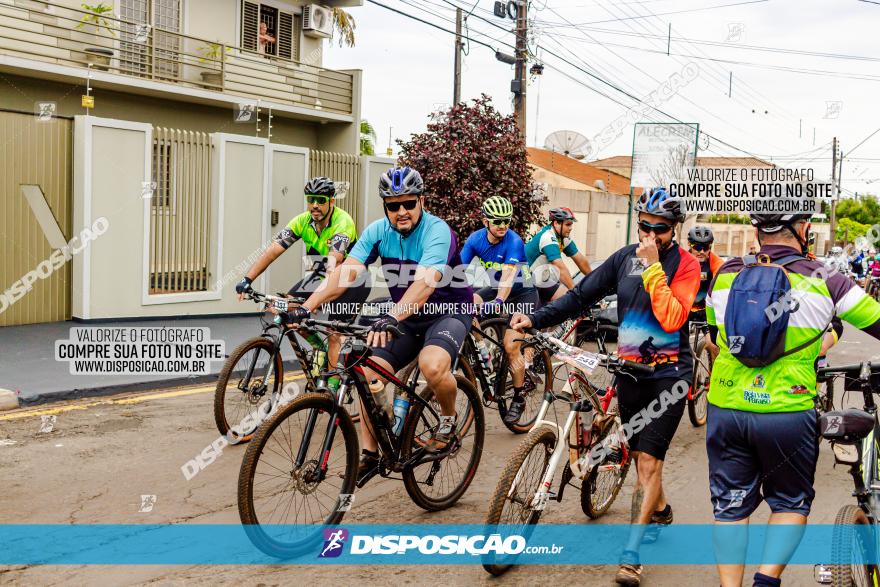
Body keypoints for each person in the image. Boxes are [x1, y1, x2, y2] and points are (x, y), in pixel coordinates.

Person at [511, 187, 700, 587]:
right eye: (645, 226)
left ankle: (631, 557)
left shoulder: (686, 266)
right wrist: (537, 319)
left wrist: (652, 267)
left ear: (675, 229)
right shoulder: (622, 259)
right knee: (639, 455)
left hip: (669, 377)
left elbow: (671, 318)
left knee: (648, 462)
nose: (650, 235)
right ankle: (660, 508)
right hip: (630, 372)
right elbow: (581, 295)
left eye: (660, 229)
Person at [705, 210, 880, 587]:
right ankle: (764, 582)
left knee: (730, 508)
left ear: (756, 231)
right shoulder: (827, 279)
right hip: (786, 411)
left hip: (727, 407)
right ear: (803, 231)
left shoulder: (725, 274)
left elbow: (713, 336)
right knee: (788, 503)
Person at [290, 166, 474, 474]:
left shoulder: (438, 231)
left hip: (446, 312)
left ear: (422, 202)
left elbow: (426, 283)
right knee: (365, 371)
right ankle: (371, 453)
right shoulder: (377, 231)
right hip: (405, 314)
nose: (401, 211)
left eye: (409, 203)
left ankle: (448, 417)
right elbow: (346, 272)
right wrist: (307, 306)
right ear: (385, 207)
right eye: (393, 205)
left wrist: (391, 315)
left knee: (431, 365)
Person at [235, 177, 368, 387]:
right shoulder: (302, 221)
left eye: (321, 200)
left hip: (353, 280)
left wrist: (317, 299)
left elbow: (335, 260)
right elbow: (272, 251)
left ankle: (330, 393)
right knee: (284, 310)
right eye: (311, 199)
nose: (315, 205)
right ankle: (321, 349)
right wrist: (247, 279)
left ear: (331, 201)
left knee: (334, 333)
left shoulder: (343, 221)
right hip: (321, 275)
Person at [460, 196, 540, 425]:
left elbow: (507, 276)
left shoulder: (514, 241)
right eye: (497, 221)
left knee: (511, 345)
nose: (503, 226)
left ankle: (518, 396)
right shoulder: (475, 240)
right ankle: (483, 353)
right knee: (470, 300)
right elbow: (457, 271)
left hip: (522, 293)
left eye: (506, 221)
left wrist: (497, 302)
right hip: (496, 290)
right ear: (485, 221)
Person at [524, 207, 592, 304]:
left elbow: (580, 260)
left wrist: (595, 279)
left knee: (567, 302)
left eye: (571, 224)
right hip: (526, 280)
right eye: (568, 224)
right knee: (539, 316)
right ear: (556, 223)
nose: (570, 228)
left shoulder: (563, 237)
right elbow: (560, 268)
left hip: (542, 279)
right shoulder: (547, 237)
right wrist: (575, 291)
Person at [688, 226, 724, 360]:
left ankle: (712, 377)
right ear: (689, 245)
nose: (701, 251)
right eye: (697, 247)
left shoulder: (716, 262)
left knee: (713, 345)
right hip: (685, 310)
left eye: (706, 247)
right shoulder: (681, 259)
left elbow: (719, 287)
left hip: (706, 312)